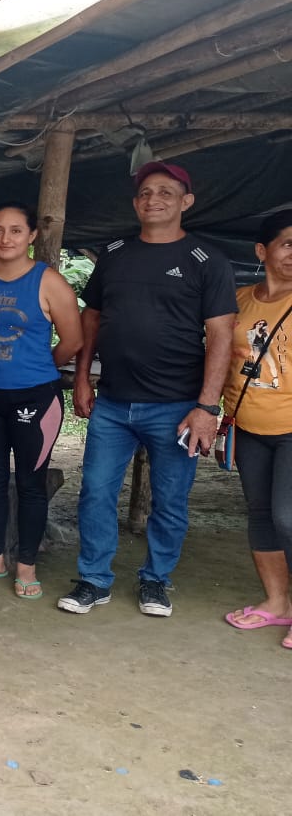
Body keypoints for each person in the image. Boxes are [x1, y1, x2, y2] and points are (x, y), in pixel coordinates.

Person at [59, 161, 237, 617]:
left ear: (186, 201)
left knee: (170, 499)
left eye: (165, 192)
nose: (153, 199)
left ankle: (155, 580)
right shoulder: (115, 253)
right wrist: (83, 377)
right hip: (113, 403)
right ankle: (94, 579)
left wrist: (207, 407)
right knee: (95, 492)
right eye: (145, 193)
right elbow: (92, 317)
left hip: (177, 406)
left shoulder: (207, 260)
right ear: (136, 203)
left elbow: (221, 334)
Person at [0, 203, 82, 599]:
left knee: (31, 483)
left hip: (36, 398)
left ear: (32, 236)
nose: (5, 238)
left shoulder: (49, 283)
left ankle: (27, 565)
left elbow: (73, 340)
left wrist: (39, 368)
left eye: (16, 230)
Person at [221, 210, 292, 649]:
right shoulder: (239, 300)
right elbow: (220, 357)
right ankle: (277, 602)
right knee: (261, 513)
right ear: (262, 251)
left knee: (288, 516)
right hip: (247, 426)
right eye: (288, 244)